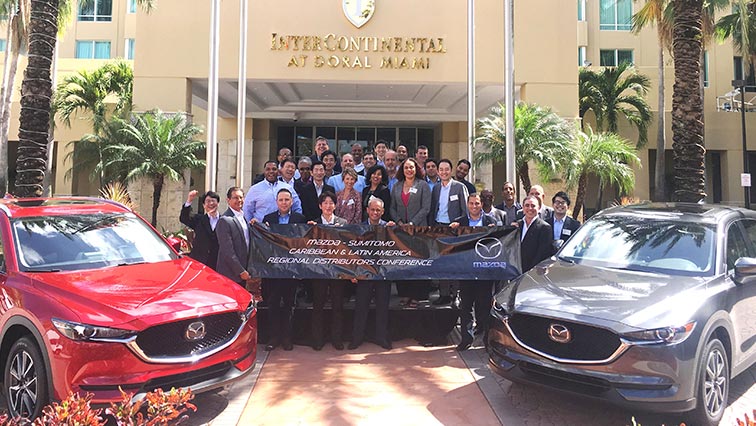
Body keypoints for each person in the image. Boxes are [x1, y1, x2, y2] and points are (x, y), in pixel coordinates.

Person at [259, 188, 307, 352]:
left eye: (287, 200)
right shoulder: (268, 219)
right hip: (273, 270)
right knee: (273, 303)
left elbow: (303, 242)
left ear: (292, 202)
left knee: (289, 304)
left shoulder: (299, 219)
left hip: (291, 270)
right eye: (281, 200)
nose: (284, 203)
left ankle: (287, 338)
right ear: (276, 202)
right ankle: (273, 337)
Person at [449, 193, 496, 351]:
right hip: (466, 271)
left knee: (484, 307)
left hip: (484, 271)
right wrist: (451, 230)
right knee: (466, 307)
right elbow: (451, 242)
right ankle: (466, 339)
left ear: (481, 204)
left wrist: (495, 230)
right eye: (471, 203)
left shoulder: (490, 221)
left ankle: (487, 340)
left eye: (477, 203)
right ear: (467, 205)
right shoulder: (459, 222)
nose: (474, 206)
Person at [349, 197, 395, 351]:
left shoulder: (389, 228)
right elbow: (353, 253)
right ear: (367, 210)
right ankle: (356, 338)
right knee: (361, 307)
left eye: (378, 210)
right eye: (373, 209)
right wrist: (353, 273)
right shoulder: (359, 229)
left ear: (383, 212)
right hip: (364, 274)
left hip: (383, 274)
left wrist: (395, 231)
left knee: (383, 308)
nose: (375, 212)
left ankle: (382, 338)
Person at [307, 191, 348, 350]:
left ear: (335, 206)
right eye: (325, 203)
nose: (328, 206)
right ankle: (317, 339)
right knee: (318, 305)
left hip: (338, 270)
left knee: (338, 306)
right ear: (320, 206)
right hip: (320, 271)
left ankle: (337, 339)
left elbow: (348, 247)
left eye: (331, 203)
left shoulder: (343, 223)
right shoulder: (313, 223)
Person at [390, 158, 431, 308]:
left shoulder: (423, 185)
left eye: (411, 167)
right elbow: (392, 207)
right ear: (402, 170)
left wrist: (413, 223)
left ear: (416, 169)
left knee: (418, 262)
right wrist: (400, 222)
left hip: (418, 230)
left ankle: (417, 295)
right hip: (401, 231)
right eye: (406, 167)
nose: (409, 170)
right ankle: (405, 293)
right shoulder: (396, 186)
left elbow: (426, 208)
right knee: (403, 262)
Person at [216, 187, 252, 287]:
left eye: (241, 197)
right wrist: (240, 271)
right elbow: (227, 250)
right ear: (228, 200)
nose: (239, 200)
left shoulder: (244, 217)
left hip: (244, 271)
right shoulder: (224, 220)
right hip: (230, 273)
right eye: (235, 198)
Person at [179, 190, 220, 270]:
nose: (211, 203)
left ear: (218, 203)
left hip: (217, 263)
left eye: (213, 201)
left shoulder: (224, 220)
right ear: (204, 205)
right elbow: (184, 218)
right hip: (199, 262)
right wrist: (189, 200)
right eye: (208, 201)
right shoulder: (199, 219)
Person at [518, 195, 555, 273]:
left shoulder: (545, 227)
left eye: (533, 206)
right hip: (516, 270)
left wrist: (530, 271)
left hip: (533, 272)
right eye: (527, 205)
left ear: (538, 208)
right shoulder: (518, 225)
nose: (530, 208)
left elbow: (542, 254)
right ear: (523, 208)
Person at [429, 159, 469, 226]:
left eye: (447, 169)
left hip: (454, 225)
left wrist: (460, 223)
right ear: (438, 172)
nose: (444, 172)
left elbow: (465, 209)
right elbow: (433, 208)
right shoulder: (436, 188)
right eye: (441, 170)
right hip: (437, 224)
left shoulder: (460, 187)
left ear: (451, 171)